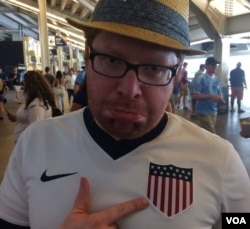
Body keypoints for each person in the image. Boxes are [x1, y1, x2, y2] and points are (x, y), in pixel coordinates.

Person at [0, 1, 249, 229]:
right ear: (88, 56)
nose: (130, 91)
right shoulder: (36, 143)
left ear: (177, 72)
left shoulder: (219, 160)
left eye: (154, 68)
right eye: (112, 60)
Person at [6, 70, 55, 144]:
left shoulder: (36, 104)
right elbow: (32, 118)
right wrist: (17, 118)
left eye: (25, 83)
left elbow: (36, 130)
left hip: (27, 146)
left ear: (30, 85)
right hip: (24, 144)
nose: (23, 86)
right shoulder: (36, 101)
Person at [193, 57, 225, 134]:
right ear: (206, 66)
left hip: (214, 111)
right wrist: (211, 96)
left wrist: (221, 99)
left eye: (216, 65)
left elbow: (220, 94)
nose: (215, 66)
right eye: (213, 64)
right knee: (211, 134)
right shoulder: (201, 78)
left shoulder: (217, 79)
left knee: (206, 134)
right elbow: (195, 95)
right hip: (203, 111)